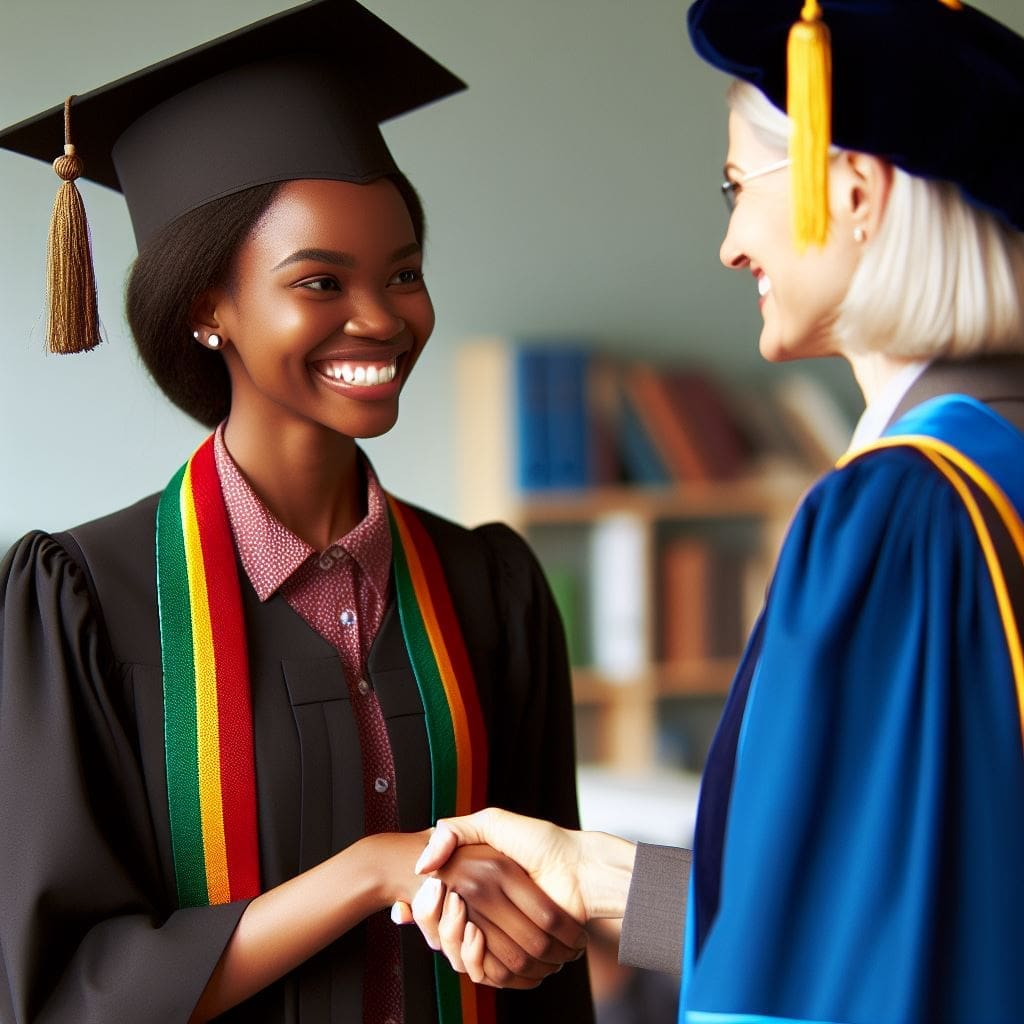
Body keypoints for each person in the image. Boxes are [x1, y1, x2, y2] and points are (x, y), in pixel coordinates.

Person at [398, 1, 1024, 1021]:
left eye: (737, 188)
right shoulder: (992, 468)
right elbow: (861, 918)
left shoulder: (897, 515)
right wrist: (591, 876)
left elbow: (828, 972)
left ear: (853, 191)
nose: (731, 244)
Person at [0, 2, 595, 1022]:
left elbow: (551, 941)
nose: (381, 316)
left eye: (402, 271)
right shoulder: (83, 602)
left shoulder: (489, 588)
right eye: (320, 280)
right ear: (206, 307)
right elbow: (66, 988)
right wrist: (372, 870)